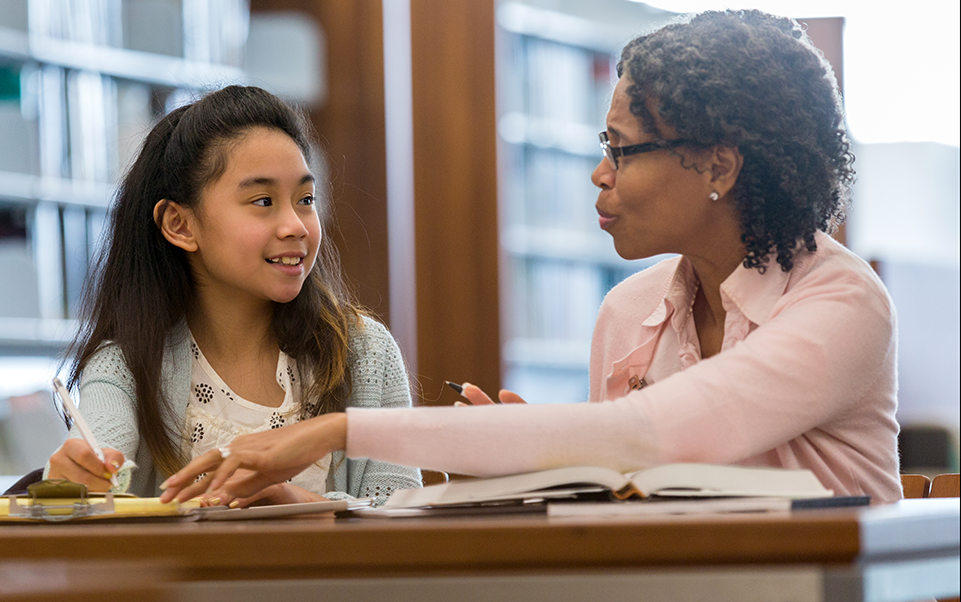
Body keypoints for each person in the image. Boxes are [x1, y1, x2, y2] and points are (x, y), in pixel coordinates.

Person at [159, 10, 902, 505]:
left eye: (622, 149)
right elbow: (633, 494)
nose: (599, 173)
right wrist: (540, 460)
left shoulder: (842, 303)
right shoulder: (630, 312)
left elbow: (650, 433)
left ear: (719, 166)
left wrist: (336, 430)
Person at [45, 85, 421, 507]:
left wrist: (291, 502)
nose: (295, 225)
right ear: (180, 225)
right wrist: (73, 482)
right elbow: (96, 452)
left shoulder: (366, 352)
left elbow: (402, 522)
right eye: (263, 201)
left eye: (305, 199)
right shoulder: (126, 364)